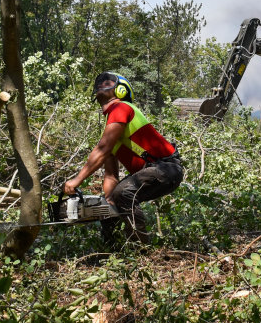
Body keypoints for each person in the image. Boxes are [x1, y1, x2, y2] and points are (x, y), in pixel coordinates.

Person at [63, 72, 184, 244]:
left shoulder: (122, 108)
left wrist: (77, 180)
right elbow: (111, 176)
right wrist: (109, 202)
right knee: (109, 203)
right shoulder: (113, 129)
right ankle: (112, 251)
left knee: (123, 192)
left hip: (167, 168)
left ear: (120, 90)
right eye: (100, 84)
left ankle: (141, 249)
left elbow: (102, 149)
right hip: (154, 171)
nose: (102, 86)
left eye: (107, 84)